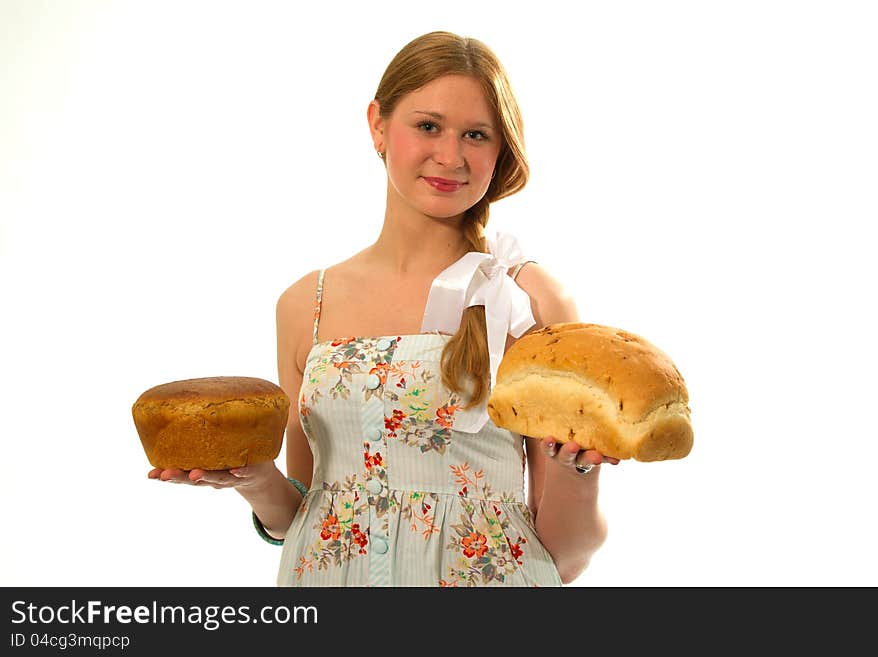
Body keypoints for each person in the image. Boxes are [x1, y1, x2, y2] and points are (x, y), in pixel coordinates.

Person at [149, 30, 619, 587]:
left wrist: (578, 467)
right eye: (428, 126)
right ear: (377, 124)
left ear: (500, 150)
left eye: (476, 134)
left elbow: (566, 555)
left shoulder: (527, 301)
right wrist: (252, 479)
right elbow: (301, 517)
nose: (450, 155)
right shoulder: (306, 304)